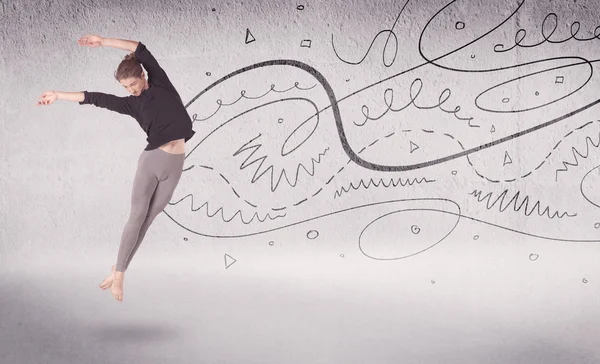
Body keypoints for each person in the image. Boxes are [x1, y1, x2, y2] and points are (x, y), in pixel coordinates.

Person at [37, 35, 195, 302]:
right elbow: (94, 98)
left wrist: (102, 41)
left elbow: (139, 48)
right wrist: (58, 95)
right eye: (126, 87)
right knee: (136, 217)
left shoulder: (162, 84)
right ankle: (119, 274)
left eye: (133, 84)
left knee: (148, 220)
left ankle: (118, 270)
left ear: (143, 75)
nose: (131, 90)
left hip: (175, 164)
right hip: (152, 161)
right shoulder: (131, 104)